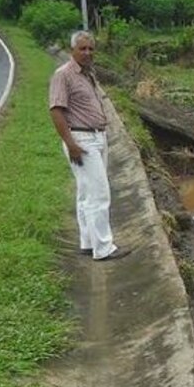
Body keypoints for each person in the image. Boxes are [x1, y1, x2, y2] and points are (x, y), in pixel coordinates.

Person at [49, 30, 130, 261]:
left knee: (86, 192)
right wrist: (71, 144)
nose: (87, 53)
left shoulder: (88, 74)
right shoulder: (63, 75)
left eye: (91, 49)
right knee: (99, 194)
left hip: (96, 137)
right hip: (82, 140)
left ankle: (87, 242)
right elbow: (56, 110)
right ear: (72, 50)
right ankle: (103, 248)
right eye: (82, 48)